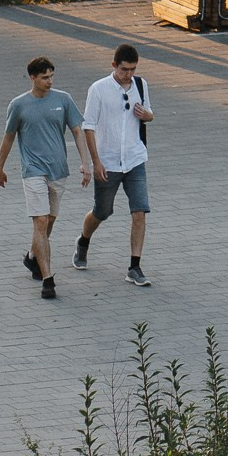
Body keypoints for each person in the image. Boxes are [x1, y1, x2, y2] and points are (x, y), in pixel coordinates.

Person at [0, 56, 92, 300]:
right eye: (44, 77)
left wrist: (85, 162)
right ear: (33, 78)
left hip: (58, 171)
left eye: (51, 77)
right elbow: (9, 137)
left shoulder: (63, 99)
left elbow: (77, 130)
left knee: (49, 221)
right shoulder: (19, 105)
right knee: (39, 222)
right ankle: (47, 278)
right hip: (33, 171)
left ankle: (32, 256)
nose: (49, 81)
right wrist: (0, 167)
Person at [75, 43, 155, 287]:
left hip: (134, 159)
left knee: (140, 211)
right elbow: (88, 126)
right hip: (108, 162)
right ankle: (83, 241)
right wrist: (95, 161)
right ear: (113, 66)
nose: (128, 75)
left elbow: (150, 113)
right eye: (124, 70)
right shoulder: (98, 89)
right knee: (103, 211)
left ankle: (134, 266)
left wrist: (147, 116)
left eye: (132, 69)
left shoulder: (140, 85)